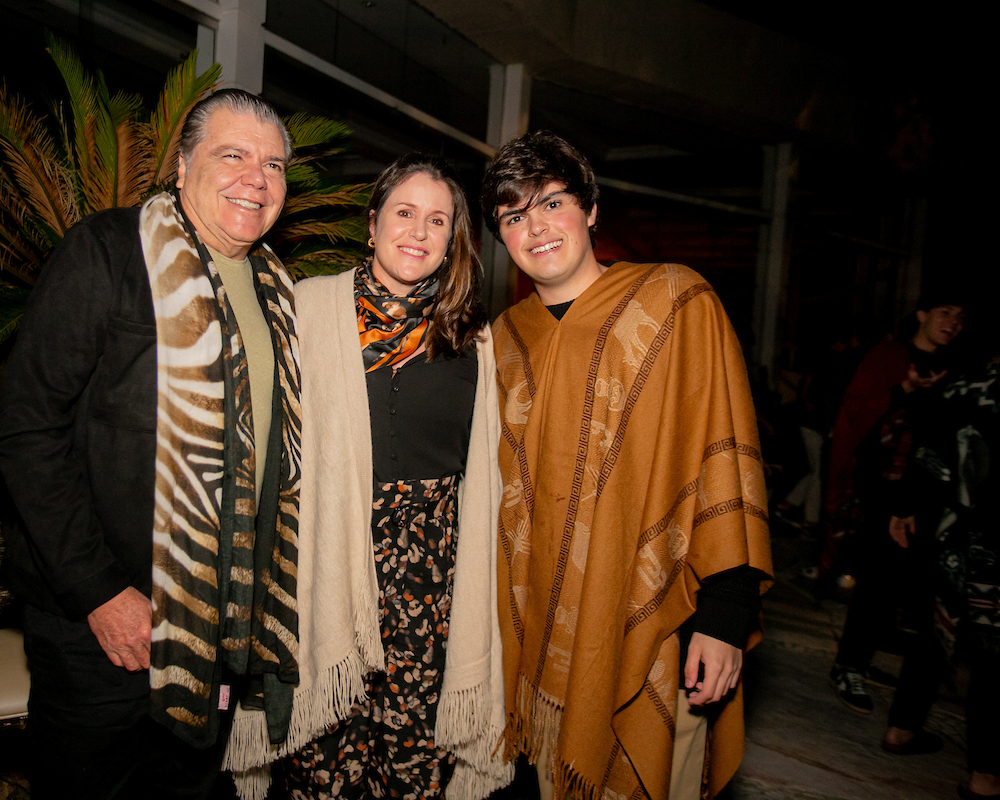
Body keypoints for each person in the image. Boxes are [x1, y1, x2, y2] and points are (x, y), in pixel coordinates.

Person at [0, 89, 302, 798]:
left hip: (219, 625)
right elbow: (25, 429)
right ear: (183, 163)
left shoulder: (276, 290)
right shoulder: (108, 253)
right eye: (234, 155)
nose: (257, 178)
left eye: (275, 165)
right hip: (104, 628)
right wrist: (99, 593)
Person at [482, 130, 773, 800]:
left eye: (552, 203)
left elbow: (722, 453)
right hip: (527, 633)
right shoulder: (503, 339)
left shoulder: (674, 302)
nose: (537, 227)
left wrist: (725, 619)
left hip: (655, 618)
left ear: (590, 209)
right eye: (514, 216)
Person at [222, 154, 512, 800]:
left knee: (414, 771)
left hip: (432, 589)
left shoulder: (472, 336)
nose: (418, 231)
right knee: (324, 766)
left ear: (453, 239)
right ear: (374, 223)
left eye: (437, 220)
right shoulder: (305, 312)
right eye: (404, 213)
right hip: (325, 567)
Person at [825, 295, 965, 713]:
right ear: (922, 314)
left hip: (925, 495)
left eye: (960, 318)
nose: (953, 323)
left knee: (904, 586)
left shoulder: (949, 367)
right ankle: (847, 665)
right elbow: (856, 415)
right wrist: (902, 391)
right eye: (945, 312)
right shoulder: (890, 356)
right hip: (882, 491)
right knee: (878, 580)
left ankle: (862, 660)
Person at [875, 353, 999, 800]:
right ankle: (986, 775)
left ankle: (901, 729)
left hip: (949, 533)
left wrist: (905, 506)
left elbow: (930, 450)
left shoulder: (970, 380)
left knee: (934, 628)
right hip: (989, 544)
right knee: (992, 654)